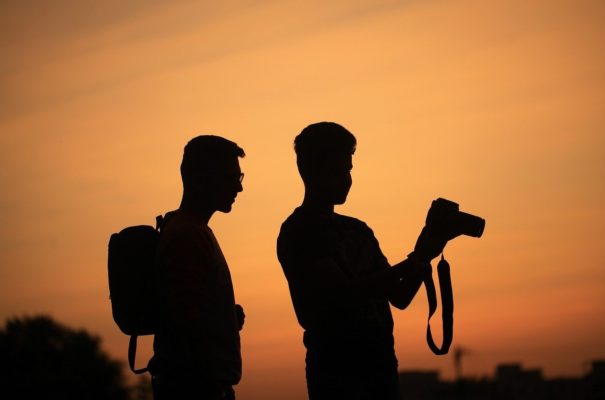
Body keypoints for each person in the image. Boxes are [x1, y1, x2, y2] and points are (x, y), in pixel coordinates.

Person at [277, 122, 445, 400]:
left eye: (349, 171)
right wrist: (415, 259)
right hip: (337, 373)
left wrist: (426, 251)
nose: (347, 179)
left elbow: (400, 296)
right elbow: (347, 294)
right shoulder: (299, 231)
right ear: (311, 171)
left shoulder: (358, 230)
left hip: (381, 367)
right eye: (338, 171)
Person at [150, 135, 246, 400]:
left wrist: (224, 317)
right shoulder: (187, 236)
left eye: (239, 178)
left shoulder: (190, 231)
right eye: (231, 178)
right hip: (195, 388)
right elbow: (187, 322)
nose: (238, 189)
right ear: (202, 178)